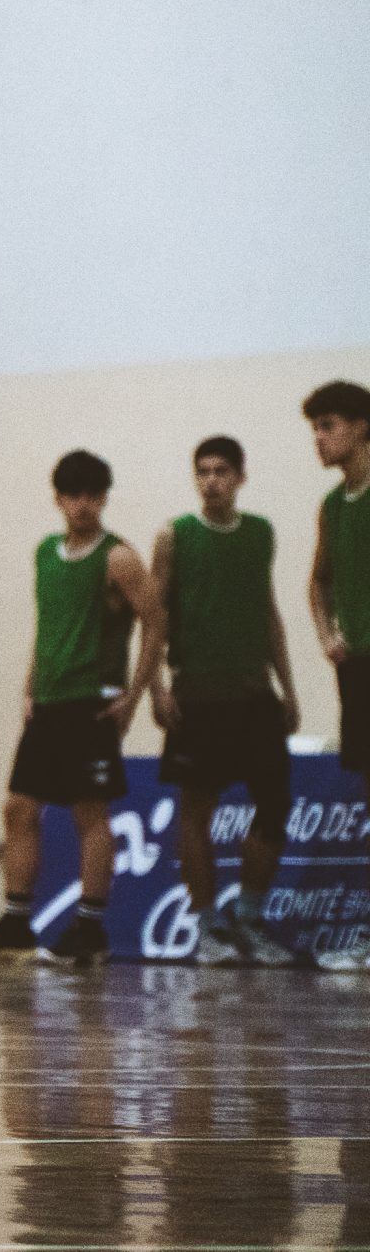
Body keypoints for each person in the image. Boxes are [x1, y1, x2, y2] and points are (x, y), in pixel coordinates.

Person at [0, 451, 162, 967]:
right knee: (19, 808)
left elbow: (156, 621)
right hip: (49, 702)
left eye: (93, 495)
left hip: (91, 703)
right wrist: (29, 687)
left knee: (89, 813)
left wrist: (135, 694)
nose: (83, 504)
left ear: (104, 498)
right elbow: (48, 626)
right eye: (73, 494)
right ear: (58, 499)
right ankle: (17, 922)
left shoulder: (118, 558)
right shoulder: (45, 554)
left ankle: (90, 927)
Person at [148, 436, 299, 966]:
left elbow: (268, 611)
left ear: (240, 477)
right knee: (196, 811)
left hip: (255, 694)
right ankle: (209, 926)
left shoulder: (260, 533)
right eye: (203, 471)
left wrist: (289, 687)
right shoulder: (174, 535)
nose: (211, 480)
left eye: (221, 471)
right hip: (198, 697)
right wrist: (156, 687)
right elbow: (155, 616)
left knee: (275, 806)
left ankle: (250, 920)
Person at [305, 380, 370, 971]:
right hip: (359, 668)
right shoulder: (332, 506)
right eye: (315, 429)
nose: (319, 439)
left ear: (361, 427)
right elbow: (319, 580)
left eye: (328, 426)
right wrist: (328, 634)